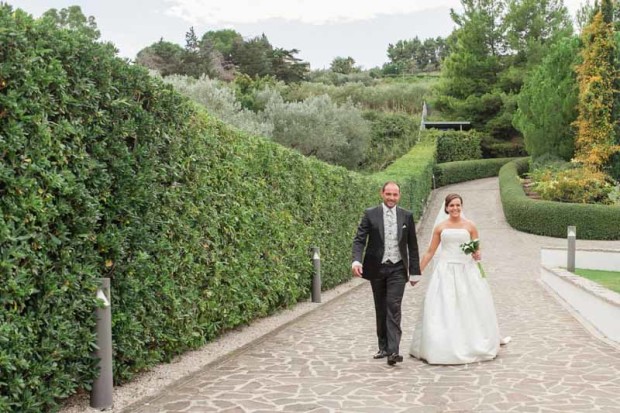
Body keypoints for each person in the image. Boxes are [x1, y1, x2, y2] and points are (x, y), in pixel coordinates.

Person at [409, 193, 507, 365]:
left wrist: (477, 254)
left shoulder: (470, 226)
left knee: (469, 305)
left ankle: (472, 341)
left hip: (466, 269)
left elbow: (477, 249)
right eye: (452, 205)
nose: (455, 208)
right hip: (445, 270)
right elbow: (430, 252)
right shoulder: (440, 227)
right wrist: (417, 272)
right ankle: (442, 344)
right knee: (444, 306)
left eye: (458, 205)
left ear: (462, 206)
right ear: (446, 208)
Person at [352, 181, 421, 366]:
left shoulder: (407, 216)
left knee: (393, 306)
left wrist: (415, 272)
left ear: (399, 196)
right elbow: (359, 240)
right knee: (381, 307)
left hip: (398, 268)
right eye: (388, 194)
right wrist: (356, 260)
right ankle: (383, 346)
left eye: (395, 194)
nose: (391, 198)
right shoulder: (370, 214)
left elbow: (412, 246)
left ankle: (393, 351)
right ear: (382, 194)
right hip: (377, 267)